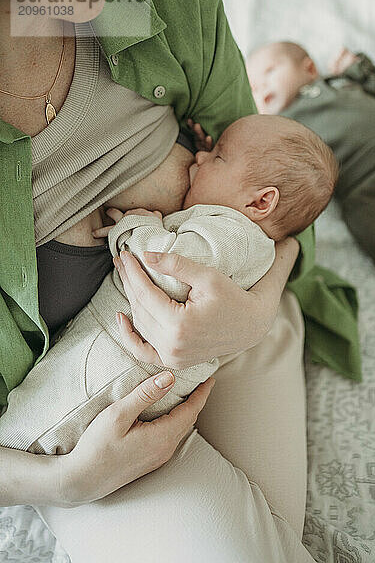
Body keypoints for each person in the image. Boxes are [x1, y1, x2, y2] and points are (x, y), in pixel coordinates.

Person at [0, 0, 357, 560]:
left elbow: (286, 189)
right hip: (90, 405)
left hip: (241, 309)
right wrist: (63, 482)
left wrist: (256, 308)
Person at [0, 114, 338, 456]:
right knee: (49, 396)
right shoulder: (238, 235)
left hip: (124, 362)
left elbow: (170, 267)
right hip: (127, 353)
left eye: (218, 156)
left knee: (48, 413)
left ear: (260, 202)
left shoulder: (236, 235)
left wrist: (136, 227)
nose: (201, 156)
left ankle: (17, 451)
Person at [247, 41, 375, 284]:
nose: (262, 86)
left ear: (309, 69)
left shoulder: (336, 83)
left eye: (270, 71)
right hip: (364, 189)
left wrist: (357, 66)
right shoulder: (281, 131)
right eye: (253, 88)